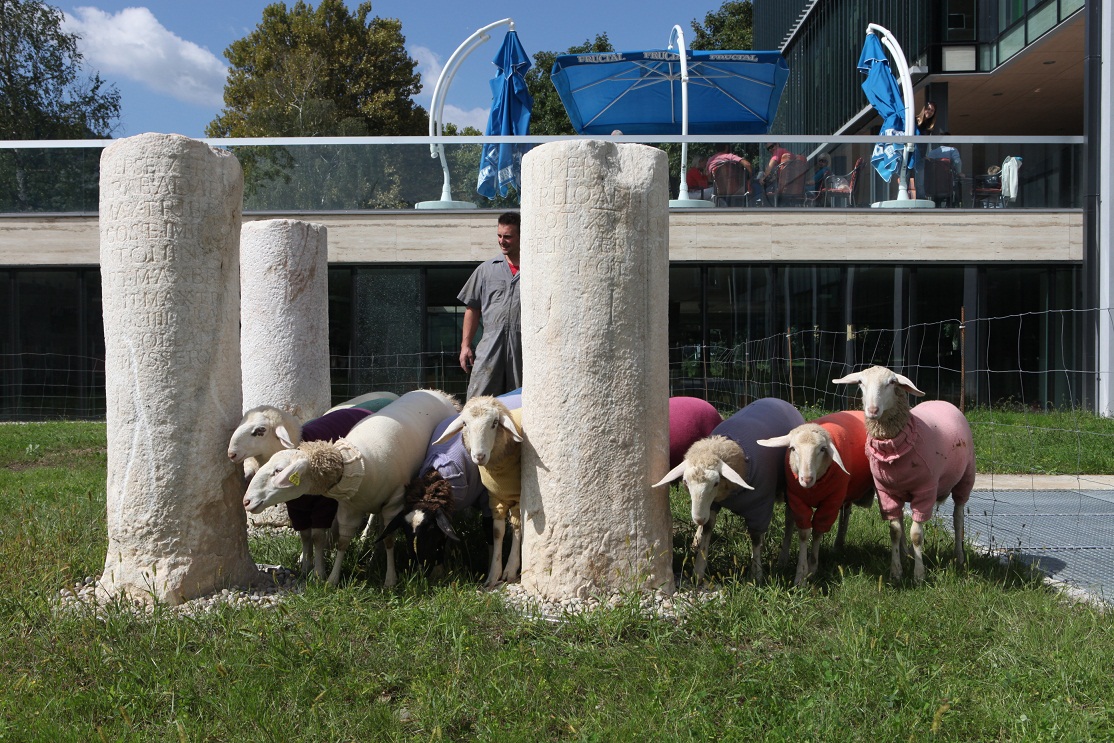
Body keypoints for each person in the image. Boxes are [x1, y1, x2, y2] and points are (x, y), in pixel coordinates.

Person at [457, 212, 522, 400]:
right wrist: (465, 346)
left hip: (523, 347)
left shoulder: (536, 269)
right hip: (490, 345)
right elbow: (472, 308)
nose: (502, 241)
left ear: (521, 236)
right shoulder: (486, 269)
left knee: (521, 402)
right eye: (499, 236)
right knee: (478, 402)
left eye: (508, 236)